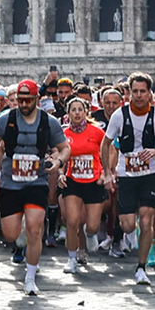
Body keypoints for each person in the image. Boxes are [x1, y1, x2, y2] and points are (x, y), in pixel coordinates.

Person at [0, 77, 70, 295]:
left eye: (28, 100)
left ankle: (30, 277)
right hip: (11, 180)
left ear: (37, 99)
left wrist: (58, 162)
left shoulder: (48, 121)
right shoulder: (6, 119)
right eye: (20, 100)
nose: (23, 104)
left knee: (35, 228)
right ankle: (20, 230)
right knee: (11, 235)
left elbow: (64, 147)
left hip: (36, 179)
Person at [102, 71, 155, 285]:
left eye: (143, 91)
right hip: (126, 174)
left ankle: (141, 267)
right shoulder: (119, 116)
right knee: (129, 224)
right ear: (129, 93)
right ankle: (130, 234)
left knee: (147, 218)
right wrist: (107, 172)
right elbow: (106, 144)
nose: (139, 95)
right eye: (135, 91)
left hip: (150, 174)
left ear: (149, 93)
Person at [58, 95, 106, 274]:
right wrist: (61, 173)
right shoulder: (64, 134)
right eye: (73, 110)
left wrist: (105, 172)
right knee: (72, 221)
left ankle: (90, 234)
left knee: (92, 225)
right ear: (68, 113)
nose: (77, 113)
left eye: (80, 110)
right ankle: (72, 258)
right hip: (73, 180)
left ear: (86, 112)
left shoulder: (96, 131)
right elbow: (59, 156)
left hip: (94, 181)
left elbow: (108, 151)